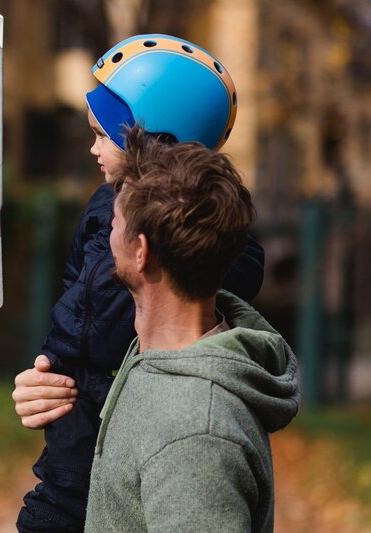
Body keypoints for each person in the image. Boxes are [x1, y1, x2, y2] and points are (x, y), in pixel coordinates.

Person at [13, 34, 266, 532]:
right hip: (78, 448)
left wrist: (57, 365)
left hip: (75, 476)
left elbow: (88, 320)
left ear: (143, 248)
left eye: (102, 134)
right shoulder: (112, 212)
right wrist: (48, 375)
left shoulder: (195, 432)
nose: (91, 148)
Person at [84, 130, 299, 532]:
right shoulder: (157, 362)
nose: (106, 230)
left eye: (113, 222)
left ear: (141, 250)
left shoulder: (198, 433)